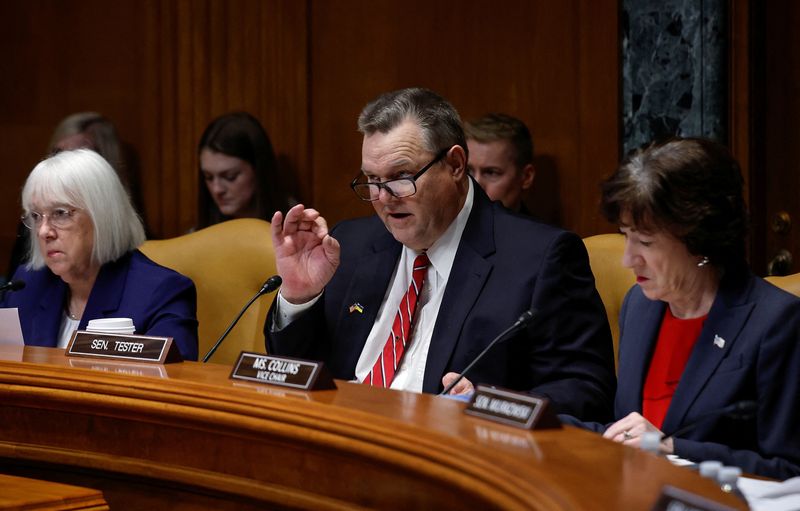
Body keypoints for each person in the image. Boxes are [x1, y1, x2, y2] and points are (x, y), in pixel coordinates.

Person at [265, 88, 615, 422]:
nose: (384, 198)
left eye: (402, 176)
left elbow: (586, 392)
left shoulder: (539, 259)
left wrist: (492, 405)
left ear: (456, 164)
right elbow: (298, 380)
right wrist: (300, 297)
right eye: (372, 180)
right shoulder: (350, 245)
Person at [568, 137, 800, 479]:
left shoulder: (776, 323)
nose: (627, 258)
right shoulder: (640, 305)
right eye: (625, 235)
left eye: (645, 242)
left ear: (700, 238)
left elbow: (788, 468)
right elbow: (625, 429)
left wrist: (671, 448)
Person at [1, 149, 199, 360]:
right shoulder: (27, 285)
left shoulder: (160, 293)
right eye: (36, 216)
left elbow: (172, 384)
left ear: (102, 216)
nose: (43, 231)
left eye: (60, 213)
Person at [197, 112, 293, 228]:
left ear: (258, 171)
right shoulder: (197, 236)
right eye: (208, 177)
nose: (217, 189)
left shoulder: (296, 225)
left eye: (230, 177)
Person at [464, 113, 535, 213]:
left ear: (526, 177)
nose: (474, 187)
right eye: (467, 171)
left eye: (491, 172)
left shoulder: (537, 229)